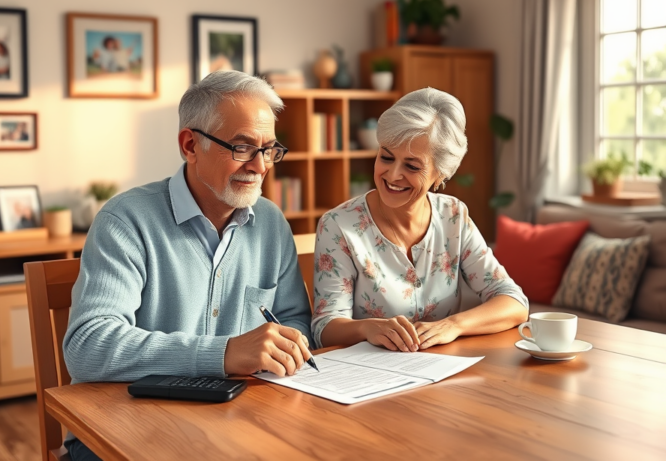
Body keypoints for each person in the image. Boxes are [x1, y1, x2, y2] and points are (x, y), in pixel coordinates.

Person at [62, 70, 312, 461]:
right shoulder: (125, 221)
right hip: (123, 427)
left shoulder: (271, 223)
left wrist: (283, 346)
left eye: (268, 150)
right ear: (190, 145)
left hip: (236, 419)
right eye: (243, 147)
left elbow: (295, 321)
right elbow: (88, 346)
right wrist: (224, 353)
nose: (261, 166)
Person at [311, 87, 528, 352]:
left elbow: (513, 301)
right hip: (369, 380)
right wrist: (368, 328)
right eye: (386, 157)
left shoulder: (453, 216)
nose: (392, 175)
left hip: (442, 372)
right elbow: (325, 328)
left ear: (440, 174)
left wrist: (453, 325)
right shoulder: (338, 226)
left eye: (412, 166)